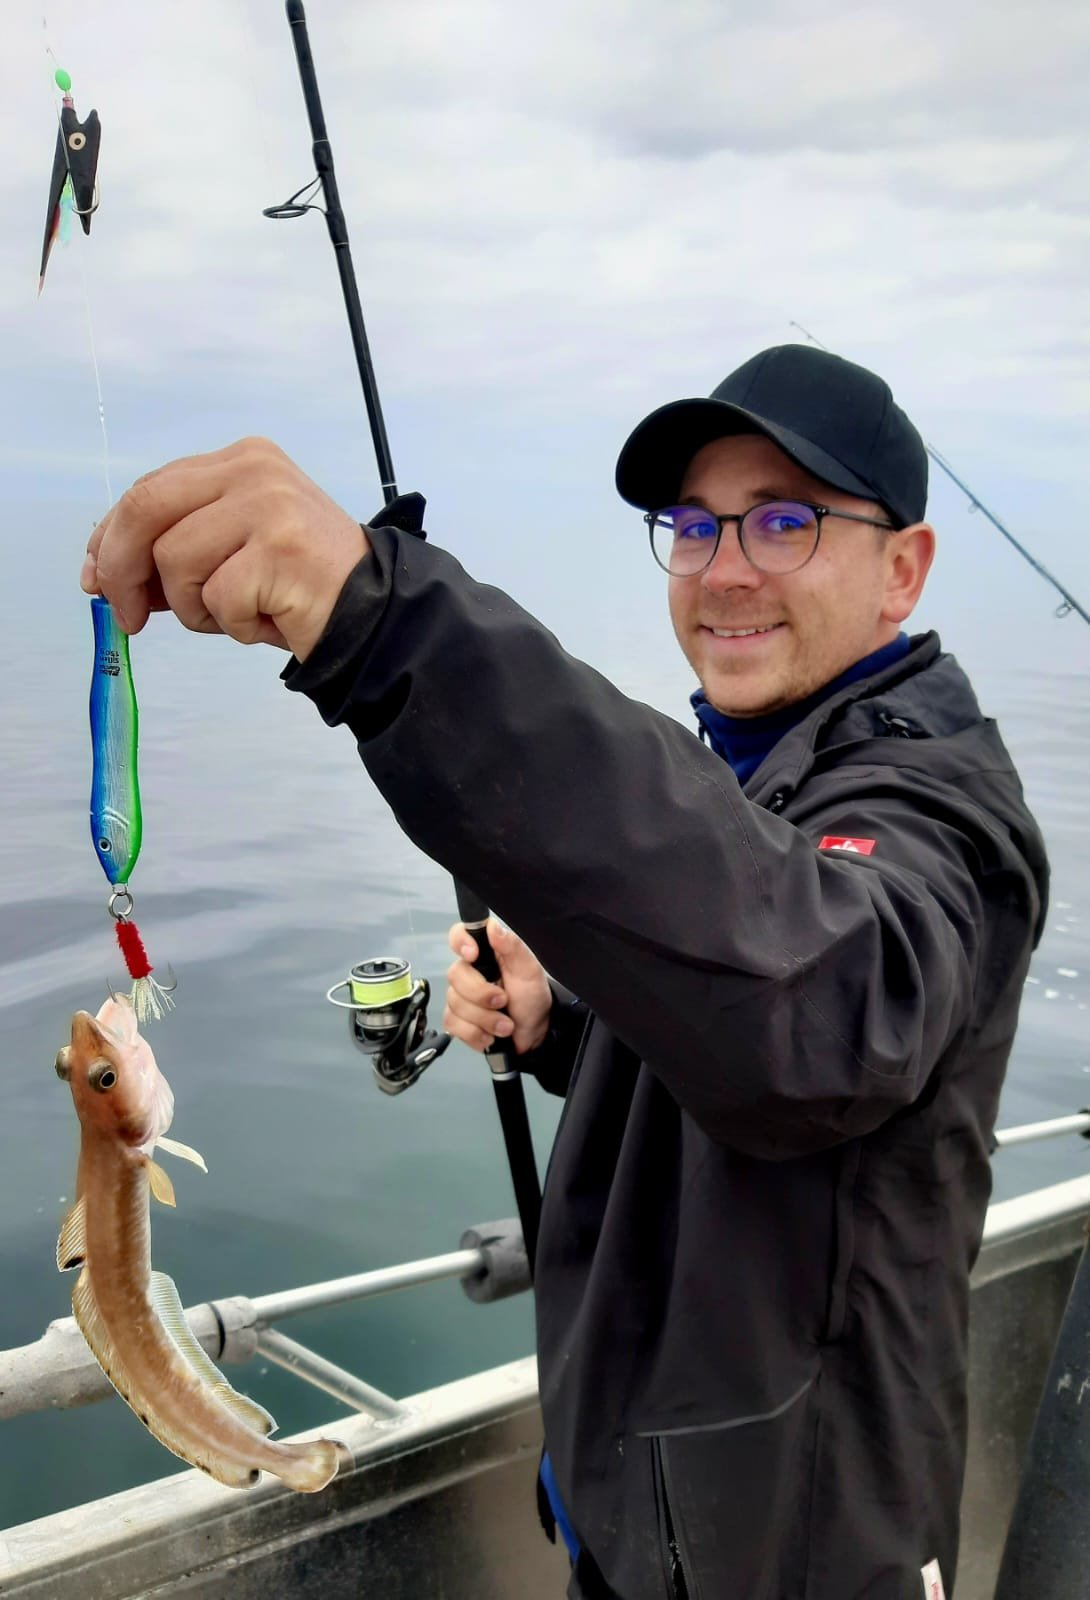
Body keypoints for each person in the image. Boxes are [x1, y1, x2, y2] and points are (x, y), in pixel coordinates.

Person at [83, 344, 1048, 1600]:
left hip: (792, 1553)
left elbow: (815, 1021)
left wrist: (387, 625)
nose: (726, 566)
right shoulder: (764, 773)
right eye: (693, 526)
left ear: (902, 569)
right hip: (640, 1516)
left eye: (785, 520)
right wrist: (565, 1026)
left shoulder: (938, 813)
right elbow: (724, 1014)